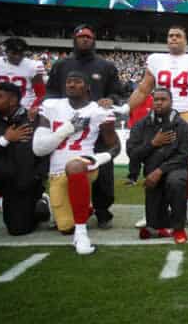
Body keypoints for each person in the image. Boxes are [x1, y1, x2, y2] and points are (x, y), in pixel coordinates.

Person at [128, 25, 188, 229]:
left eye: (178, 35)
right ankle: (152, 209)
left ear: (185, 40)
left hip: (184, 114)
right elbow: (143, 89)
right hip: (157, 115)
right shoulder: (156, 60)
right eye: (170, 36)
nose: (173, 38)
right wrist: (125, 107)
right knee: (152, 161)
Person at [33, 71, 120, 254]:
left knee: (75, 166)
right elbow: (39, 148)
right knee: (65, 227)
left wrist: (97, 159)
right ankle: (66, 207)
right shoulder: (51, 106)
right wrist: (68, 128)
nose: (71, 85)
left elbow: (115, 147)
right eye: (68, 82)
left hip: (84, 165)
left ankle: (81, 235)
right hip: (56, 172)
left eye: (77, 82)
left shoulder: (99, 111)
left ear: (87, 86)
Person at [46, 25, 123, 229]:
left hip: (96, 125)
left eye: (89, 37)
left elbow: (117, 93)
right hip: (66, 125)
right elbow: (50, 93)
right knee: (59, 167)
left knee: (102, 168)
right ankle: (61, 208)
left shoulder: (106, 66)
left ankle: (102, 210)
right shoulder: (61, 65)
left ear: (94, 40)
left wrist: (110, 99)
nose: (85, 40)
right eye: (81, 37)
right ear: (74, 39)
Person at [0, 83, 49, 243]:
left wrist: (37, 178)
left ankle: (40, 204)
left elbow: (45, 153)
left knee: (18, 229)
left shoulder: (33, 120)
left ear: (13, 100)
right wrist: (4, 140)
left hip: (23, 182)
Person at [126, 88, 188, 243]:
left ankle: (179, 229)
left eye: (163, 99)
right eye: (156, 99)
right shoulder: (141, 125)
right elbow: (132, 153)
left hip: (175, 169)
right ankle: (161, 224)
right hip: (151, 171)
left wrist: (160, 170)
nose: (159, 102)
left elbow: (186, 155)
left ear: (171, 102)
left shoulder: (182, 126)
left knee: (175, 182)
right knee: (154, 225)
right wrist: (152, 143)